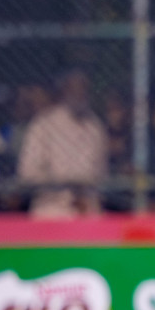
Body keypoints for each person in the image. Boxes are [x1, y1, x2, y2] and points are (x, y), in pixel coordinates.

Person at [16, 69, 108, 217]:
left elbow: (101, 173)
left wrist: (85, 195)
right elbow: (27, 173)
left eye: (83, 87)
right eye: (74, 87)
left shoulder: (95, 127)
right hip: (52, 209)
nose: (79, 92)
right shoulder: (43, 124)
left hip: (88, 210)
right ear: (64, 89)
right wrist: (68, 192)